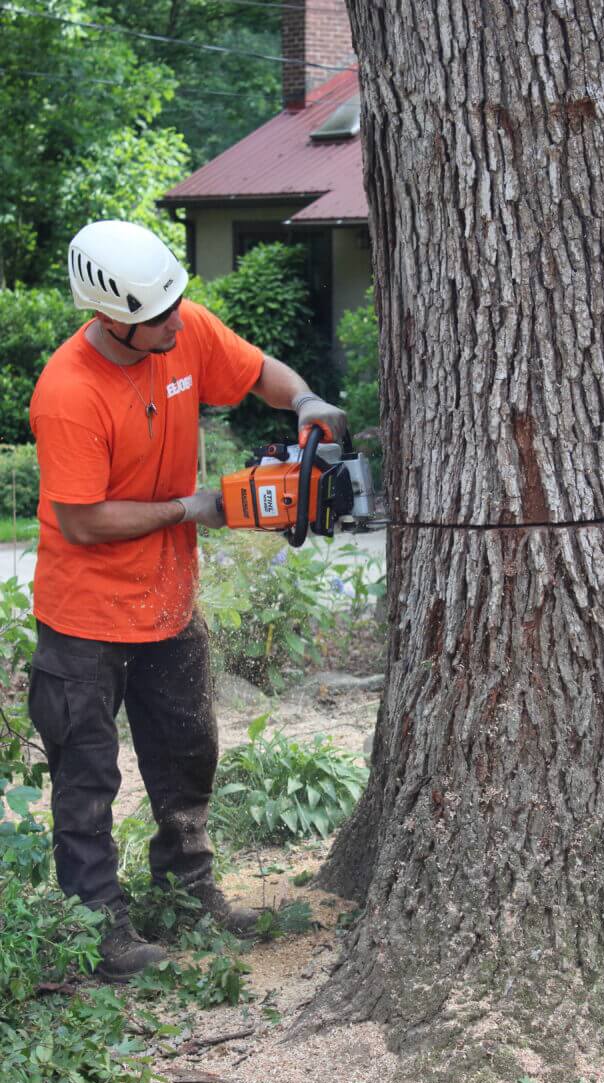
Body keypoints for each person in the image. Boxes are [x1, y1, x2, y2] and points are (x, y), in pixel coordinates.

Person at [28, 220, 346, 982]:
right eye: (157, 320)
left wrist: (302, 400)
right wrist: (191, 508)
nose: (176, 325)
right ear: (110, 318)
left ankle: (188, 886)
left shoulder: (179, 322)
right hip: (84, 617)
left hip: (168, 603)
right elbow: (82, 519)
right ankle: (97, 928)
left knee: (187, 750)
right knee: (88, 775)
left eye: (177, 308)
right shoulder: (68, 393)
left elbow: (254, 368)